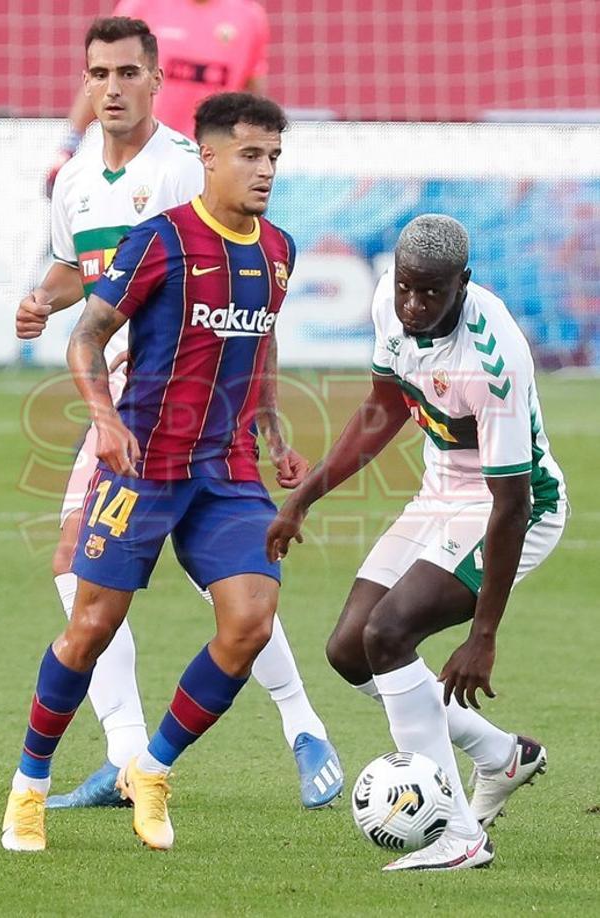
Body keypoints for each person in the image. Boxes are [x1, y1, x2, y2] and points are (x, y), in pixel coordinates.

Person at [17, 18, 341, 814]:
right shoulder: (76, 180)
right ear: (86, 82)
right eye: (99, 74)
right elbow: (85, 271)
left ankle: (288, 728)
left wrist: (257, 417)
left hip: (173, 414)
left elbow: (227, 293)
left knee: (227, 589)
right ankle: (134, 755)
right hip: (126, 410)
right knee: (84, 573)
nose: (113, 88)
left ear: (158, 81)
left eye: (129, 72)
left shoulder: (179, 175)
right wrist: (41, 299)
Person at [267, 214, 567, 871]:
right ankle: (500, 755)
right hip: (441, 491)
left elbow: (512, 504)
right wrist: (303, 497)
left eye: (430, 293)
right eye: (405, 287)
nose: (412, 304)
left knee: (389, 635)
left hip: (513, 508)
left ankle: (458, 836)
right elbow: (382, 408)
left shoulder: (495, 358)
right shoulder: (389, 306)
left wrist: (483, 635)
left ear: (463, 284)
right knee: (351, 650)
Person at [47, 0, 268, 194]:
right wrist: (69, 145)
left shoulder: (249, 17)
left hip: (208, 168)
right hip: (142, 160)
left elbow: (252, 96)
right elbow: (104, 79)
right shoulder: (143, 6)